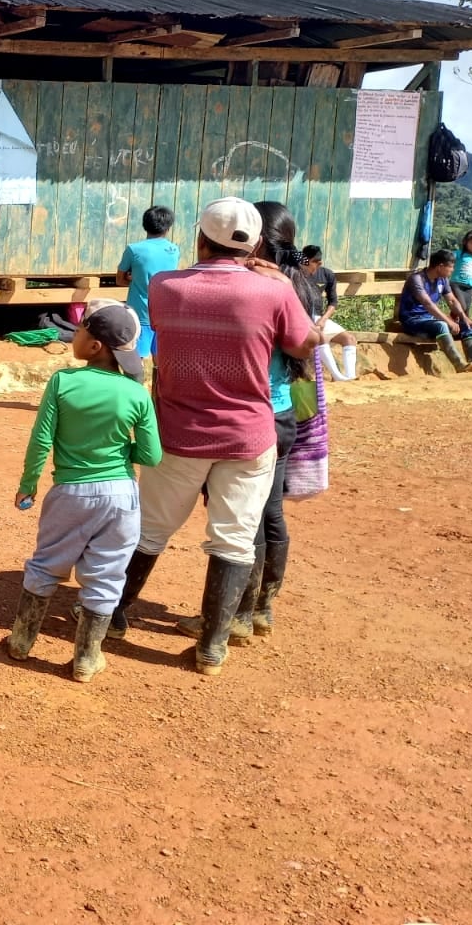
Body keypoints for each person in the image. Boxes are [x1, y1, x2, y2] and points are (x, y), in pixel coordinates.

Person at [108, 197, 320, 677]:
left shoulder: (165, 287)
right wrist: (283, 283)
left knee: (150, 530)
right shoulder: (274, 293)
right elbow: (304, 344)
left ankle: (114, 615)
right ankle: (212, 646)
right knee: (235, 538)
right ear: (256, 245)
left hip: (178, 434)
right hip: (249, 436)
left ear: (200, 239)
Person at [174, 203, 325, 646]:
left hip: (247, 411)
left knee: (242, 519)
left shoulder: (261, 284)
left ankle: (235, 614)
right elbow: (305, 348)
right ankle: (261, 608)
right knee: (269, 512)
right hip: (285, 410)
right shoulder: (300, 284)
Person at [5, 299, 161, 682]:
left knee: (45, 565)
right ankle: (87, 659)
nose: (74, 334)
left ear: (95, 346)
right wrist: (124, 450)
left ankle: (22, 642)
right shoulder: (137, 393)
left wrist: (28, 486)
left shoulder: (63, 381)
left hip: (71, 492)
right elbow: (152, 455)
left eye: (80, 329)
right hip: (122, 497)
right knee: (108, 575)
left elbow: (41, 441)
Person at [397, 249, 472, 373]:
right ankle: (459, 364)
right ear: (440, 266)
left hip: (429, 320)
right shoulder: (417, 279)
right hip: (412, 320)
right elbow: (428, 304)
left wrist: (464, 317)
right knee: (442, 325)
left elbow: (452, 301)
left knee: (467, 326)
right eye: (451, 267)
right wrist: (449, 321)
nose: (452, 270)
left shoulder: (442, 280)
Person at [115, 206, 179, 359]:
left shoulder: (133, 249)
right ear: (168, 227)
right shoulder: (174, 249)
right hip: (163, 314)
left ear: (145, 225)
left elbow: (119, 279)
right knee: (160, 361)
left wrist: (134, 279)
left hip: (139, 315)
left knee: (136, 361)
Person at [301, 245, 357, 381]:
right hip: (302, 317)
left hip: (320, 317)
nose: (305, 266)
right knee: (322, 337)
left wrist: (323, 320)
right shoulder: (296, 274)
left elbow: (333, 302)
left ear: (318, 263)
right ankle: (338, 377)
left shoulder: (327, 274)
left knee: (349, 339)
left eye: (309, 263)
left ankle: (350, 377)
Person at [450, 229, 472, 317]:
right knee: (461, 306)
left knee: (467, 310)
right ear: (466, 242)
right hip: (457, 284)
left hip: (470, 286)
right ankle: (450, 320)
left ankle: (463, 328)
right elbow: (447, 262)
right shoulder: (458, 254)